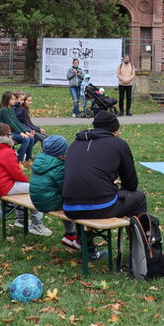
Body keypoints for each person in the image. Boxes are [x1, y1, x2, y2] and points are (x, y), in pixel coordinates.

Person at [63, 111, 147, 261]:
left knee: (83, 196)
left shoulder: (75, 143)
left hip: (70, 208)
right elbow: (131, 183)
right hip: (100, 207)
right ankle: (139, 251)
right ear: (115, 131)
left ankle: (88, 249)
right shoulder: (119, 144)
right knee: (139, 198)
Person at [0, 122, 51, 236]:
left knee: (24, 189)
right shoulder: (6, 151)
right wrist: (28, 183)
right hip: (1, 187)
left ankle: (21, 219)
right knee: (37, 190)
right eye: (10, 134)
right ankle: (36, 225)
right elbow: (16, 173)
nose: (12, 136)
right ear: (4, 137)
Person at [30, 135, 80, 250]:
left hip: (38, 199)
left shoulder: (42, 160)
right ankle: (78, 238)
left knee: (67, 201)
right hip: (49, 202)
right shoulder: (59, 167)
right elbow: (66, 189)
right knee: (77, 204)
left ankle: (70, 234)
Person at [0, 91, 42, 162]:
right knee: (26, 139)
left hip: (13, 132)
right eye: (12, 99)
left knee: (31, 137)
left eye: (14, 99)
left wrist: (25, 131)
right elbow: (11, 123)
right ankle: (19, 160)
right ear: (6, 100)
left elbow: (16, 122)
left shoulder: (11, 109)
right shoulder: (4, 110)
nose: (14, 101)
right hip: (6, 133)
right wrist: (20, 133)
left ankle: (28, 159)